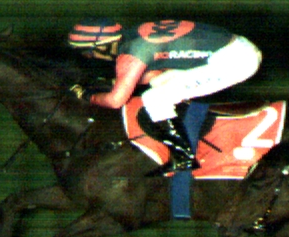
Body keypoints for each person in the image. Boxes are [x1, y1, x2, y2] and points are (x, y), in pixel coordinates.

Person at [68, 19, 264, 176]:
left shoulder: (131, 54)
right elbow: (153, 75)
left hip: (236, 61)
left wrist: (88, 96)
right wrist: (116, 82)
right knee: (160, 83)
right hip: (236, 48)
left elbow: (115, 101)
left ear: (101, 46)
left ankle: (183, 157)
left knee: (154, 98)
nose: (89, 57)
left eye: (88, 52)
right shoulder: (133, 37)